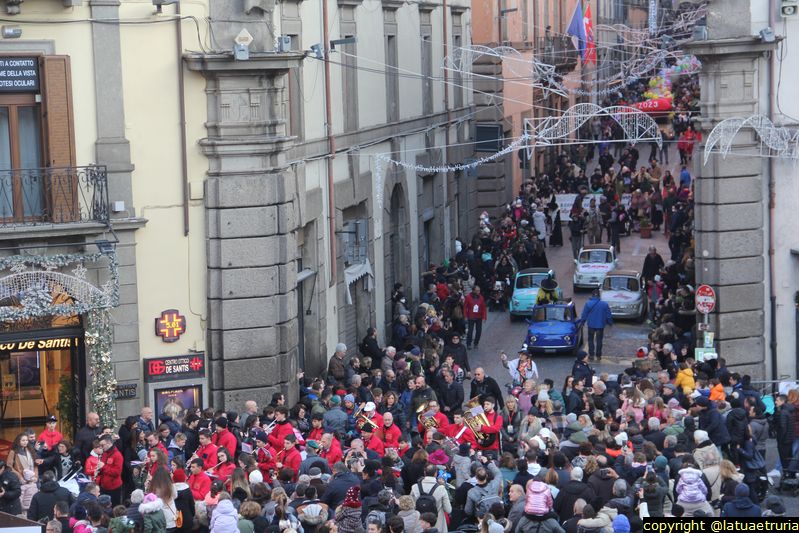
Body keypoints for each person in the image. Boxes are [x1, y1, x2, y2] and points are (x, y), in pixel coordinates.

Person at [410, 464, 451, 532]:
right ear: (436, 474)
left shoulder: (415, 487)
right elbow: (448, 510)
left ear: (424, 473)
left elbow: (411, 506)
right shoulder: (441, 489)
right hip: (437, 524)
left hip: (420, 524)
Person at [580, 290, 612, 361]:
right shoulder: (604, 304)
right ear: (599, 295)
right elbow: (608, 315)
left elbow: (584, 314)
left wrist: (582, 322)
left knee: (590, 340)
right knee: (599, 340)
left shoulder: (588, 304)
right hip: (600, 325)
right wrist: (610, 322)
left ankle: (591, 355)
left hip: (591, 325)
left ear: (592, 295)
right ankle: (598, 355)